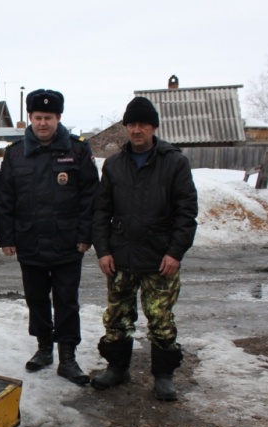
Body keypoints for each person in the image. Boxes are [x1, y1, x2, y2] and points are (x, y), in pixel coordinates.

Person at [91, 96, 198, 401]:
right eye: (132, 124)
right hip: (121, 256)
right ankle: (117, 368)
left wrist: (175, 252)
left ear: (153, 127)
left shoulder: (174, 162)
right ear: (126, 127)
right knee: (117, 317)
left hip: (159, 257)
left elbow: (186, 213)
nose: (137, 130)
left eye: (143, 124)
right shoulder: (114, 165)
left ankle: (163, 376)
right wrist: (104, 251)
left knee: (160, 319)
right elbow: (101, 212)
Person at [0, 89, 99, 385]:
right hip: (29, 239)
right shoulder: (15, 153)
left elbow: (90, 196)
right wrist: (7, 237)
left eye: (49, 118)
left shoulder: (78, 150)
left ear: (59, 118)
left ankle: (68, 357)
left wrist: (85, 235)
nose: (43, 123)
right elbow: (6, 198)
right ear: (29, 118)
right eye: (38, 117)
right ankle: (44, 349)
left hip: (68, 240)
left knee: (67, 300)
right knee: (37, 299)